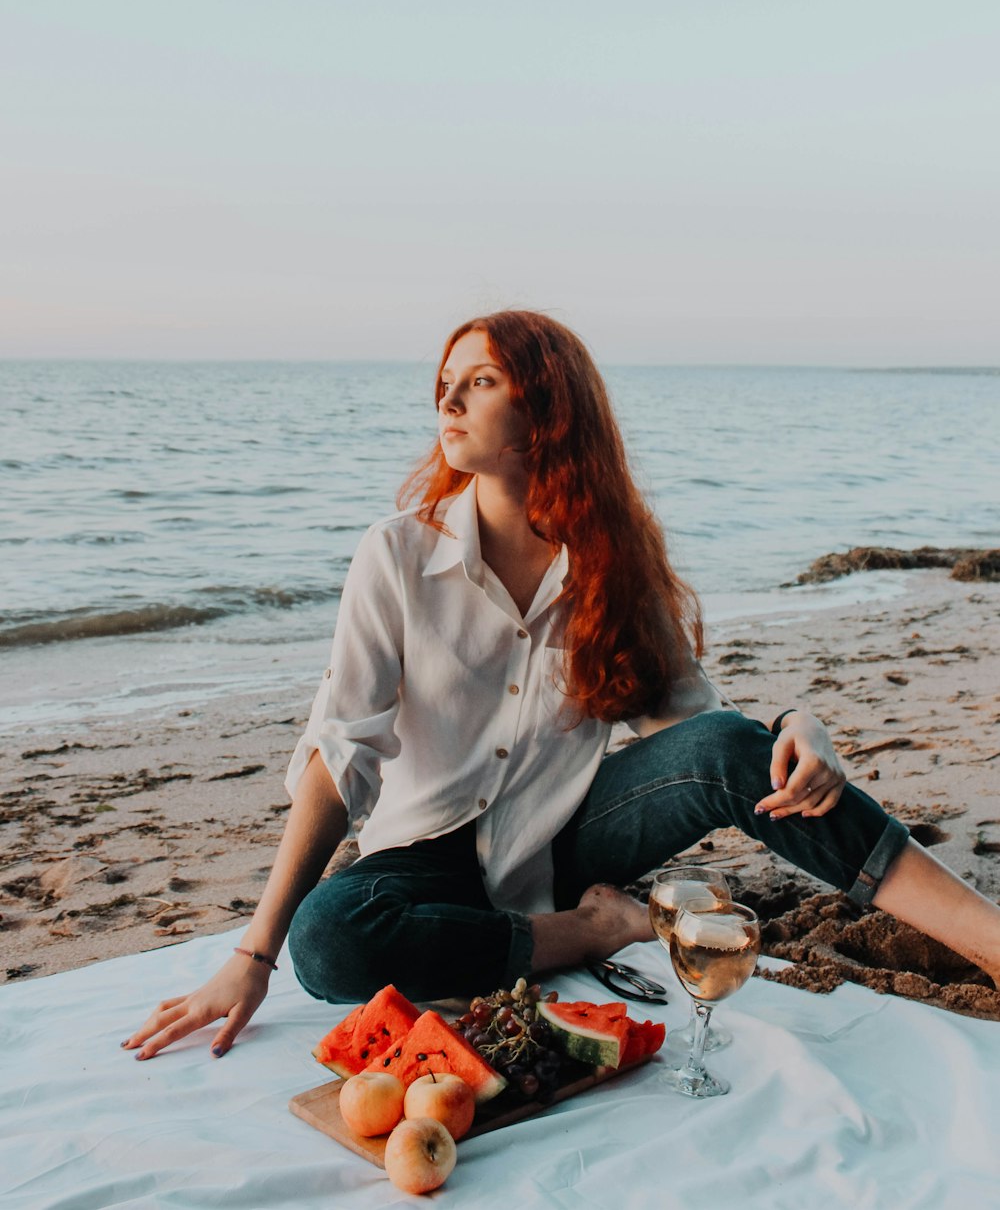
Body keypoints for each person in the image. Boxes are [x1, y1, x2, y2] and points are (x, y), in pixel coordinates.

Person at [123, 311, 1000, 1060]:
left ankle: (987, 941)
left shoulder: (612, 567)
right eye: (445, 381)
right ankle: (591, 929)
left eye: (480, 381)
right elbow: (337, 751)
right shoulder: (395, 554)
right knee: (326, 941)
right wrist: (254, 952)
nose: (449, 400)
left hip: (566, 838)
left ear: (543, 410)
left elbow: (700, 731)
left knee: (746, 754)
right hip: (420, 854)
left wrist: (801, 721)